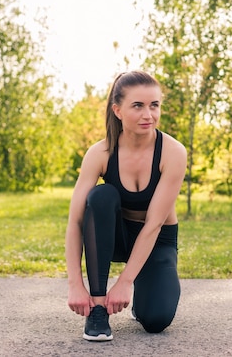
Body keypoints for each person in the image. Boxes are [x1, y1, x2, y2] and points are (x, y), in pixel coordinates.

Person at [65, 70, 187, 340]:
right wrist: (75, 284)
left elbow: (154, 224)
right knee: (101, 196)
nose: (148, 115)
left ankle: (142, 294)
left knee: (156, 320)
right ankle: (98, 309)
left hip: (157, 239)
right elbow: (75, 221)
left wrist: (124, 283)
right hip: (114, 236)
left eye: (154, 105)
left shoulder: (173, 152)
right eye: (138, 106)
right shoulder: (100, 152)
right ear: (118, 110)